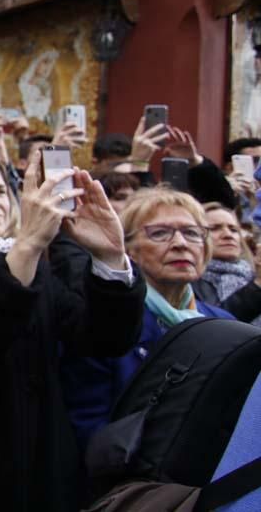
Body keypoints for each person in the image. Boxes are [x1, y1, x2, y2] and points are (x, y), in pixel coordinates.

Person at [0, 151, 145, 512]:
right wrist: (28, 246)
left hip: (47, 458)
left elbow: (102, 340)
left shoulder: (35, 266)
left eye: (1, 191)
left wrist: (110, 259)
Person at [60, 189, 235, 454]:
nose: (180, 243)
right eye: (160, 233)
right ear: (127, 248)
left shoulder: (225, 325)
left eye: (192, 233)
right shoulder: (107, 323)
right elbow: (88, 424)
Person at [193, 202, 261, 325]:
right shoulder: (186, 281)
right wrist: (258, 285)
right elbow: (214, 326)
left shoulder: (251, 273)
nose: (228, 235)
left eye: (234, 229)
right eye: (215, 228)